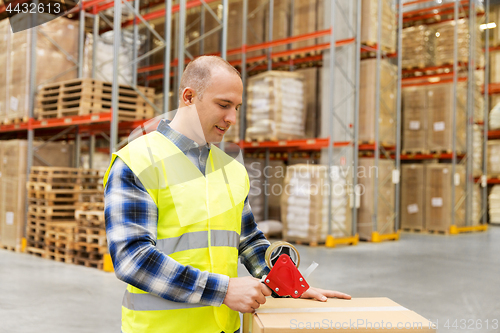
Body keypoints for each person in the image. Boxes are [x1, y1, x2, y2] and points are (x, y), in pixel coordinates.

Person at [103, 55, 351, 333]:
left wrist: (291, 285)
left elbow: (248, 240)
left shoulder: (230, 169)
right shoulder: (137, 161)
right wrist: (223, 290)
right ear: (188, 97)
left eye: (236, 107)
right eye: (223, 105)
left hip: (225, 328)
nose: (232, 118)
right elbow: (132, 259)